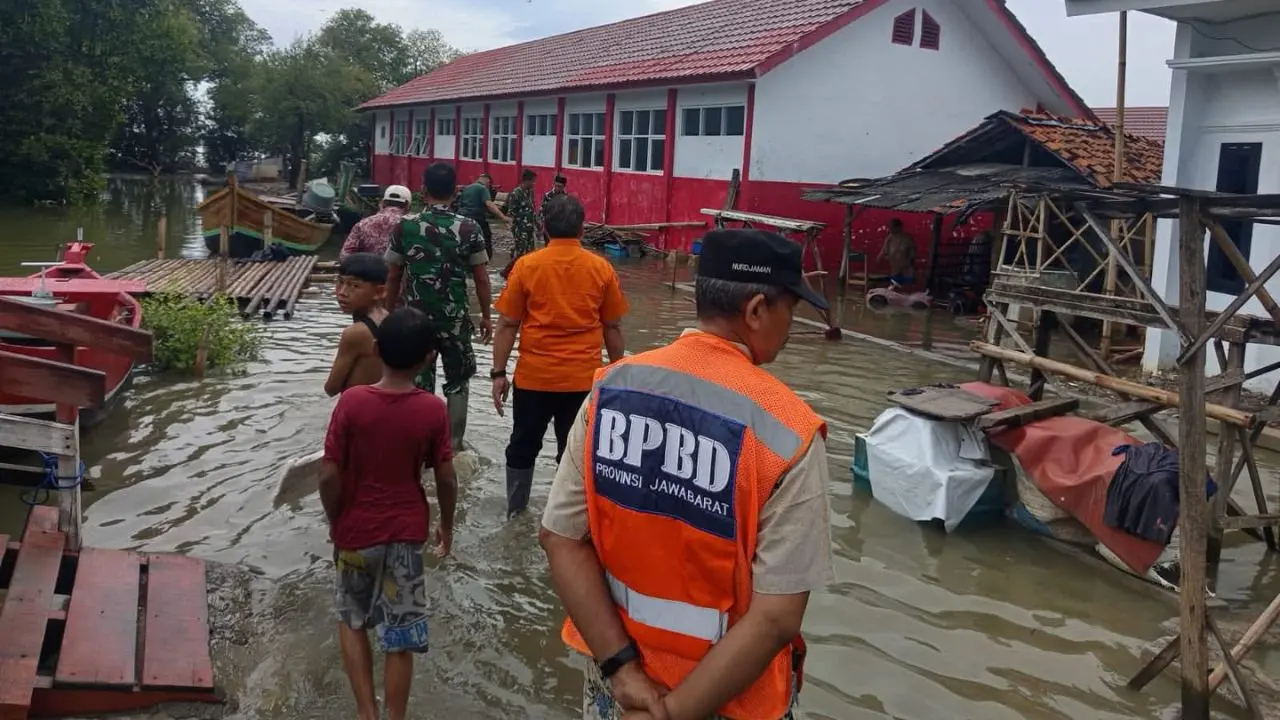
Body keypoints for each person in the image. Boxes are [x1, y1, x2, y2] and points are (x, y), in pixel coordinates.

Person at [539, 229, 835, 720]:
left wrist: (624, 673)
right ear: (756, 310)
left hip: (619, 686)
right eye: (791, 309)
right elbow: (776, 617)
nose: (791, 326)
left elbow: (560, 538)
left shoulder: (610, 390)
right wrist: (673, 712)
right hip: (727, 701)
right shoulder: (788, 431)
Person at [318, 306, 458, 720]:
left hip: (356, 533)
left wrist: (335, 520)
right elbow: (446, 478)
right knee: (401, 634)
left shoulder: (352, 402)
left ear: (376, 350)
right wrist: (447, 525)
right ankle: (395, 715)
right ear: (429, 358)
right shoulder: (433, 409)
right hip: (405, 536)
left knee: (352, 619)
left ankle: (367, 712)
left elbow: (328, 474)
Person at [491, 194, 628, 518]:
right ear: (582, 229)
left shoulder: (526, 266)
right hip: (582, 382)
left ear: (544, 227)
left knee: (522, 447)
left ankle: (515, 513)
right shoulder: (601, 268)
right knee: (575, 453)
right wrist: (618, 375)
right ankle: (567, 520)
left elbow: (508, 324)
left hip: (534, 379)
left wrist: (498, 373)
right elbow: (612, 327)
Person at [386, 162, 493, 453]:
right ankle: (454, 447)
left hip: (415, 323)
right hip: (455, 321)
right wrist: (486, 316)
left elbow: (393, 275)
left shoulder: (406, 226)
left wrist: (386, 315)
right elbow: (482, 279)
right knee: (458, 381)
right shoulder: (469, 228)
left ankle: (419, 448)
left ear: (423, 191)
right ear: (455, 192)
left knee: (419, 381)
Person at [324, 253, 390, 397]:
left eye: (354, 286)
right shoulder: (390, 319)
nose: (342, 292)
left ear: (379, 292)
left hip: (359, 405)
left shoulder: (355, 333)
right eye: (340, 282)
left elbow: (331, 388)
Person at [341, 185, 412, 260]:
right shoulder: (411, 226)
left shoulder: (362, 224)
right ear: (407, 206)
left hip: (366, 267)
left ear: (382, 203)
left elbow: (345, 256)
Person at [456, 173, 509, 262]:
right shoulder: (483, 188)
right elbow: (489, 204)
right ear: (488, 181)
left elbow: (459, 205)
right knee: (486, 239)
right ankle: (484, 261)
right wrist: (503, 217)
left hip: (463, 219)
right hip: (477, 219)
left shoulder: (467, 188)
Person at [501, 169, 538, 276]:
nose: (534, 183)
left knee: (531, 253)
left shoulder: (530, 192)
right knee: (520, 253)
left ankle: (527, 273)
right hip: (520, 228)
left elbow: (532, 210)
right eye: (533, 181)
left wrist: (538, 226)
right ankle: (507, 272)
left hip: (529, 228)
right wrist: (512, 227)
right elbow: (510, 213)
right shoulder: (515, 194)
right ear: (526, 180)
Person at [877, 218, 917, 288]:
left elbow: (913, 251)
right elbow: (883, 251)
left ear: (898, 227)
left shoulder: (907, 238)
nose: (890, 229)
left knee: (907, 286)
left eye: (892, 227)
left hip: (906, 268)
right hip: (895, 269)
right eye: (889, 227)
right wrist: (880, 258)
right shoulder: (889, 239)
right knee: (894, 286)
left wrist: (910, 261)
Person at [537, 174, 567, 245]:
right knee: (549, 246)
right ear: (553, 184)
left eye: (560, 186)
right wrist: (541, 226)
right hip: (549, 228)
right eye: (556, 185)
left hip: (560, 228)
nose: (557, 188)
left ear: (564, 187)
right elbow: (542, 211)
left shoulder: (565, 197)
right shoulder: (548, 196)